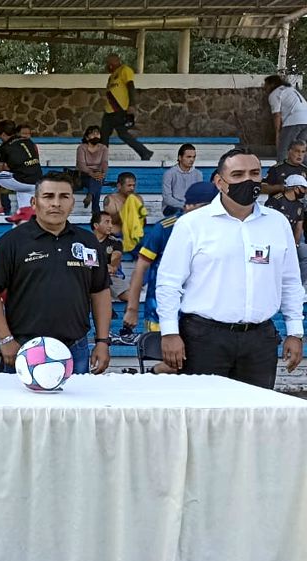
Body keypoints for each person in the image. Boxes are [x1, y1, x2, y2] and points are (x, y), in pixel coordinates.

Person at [156, 149, 304, 388]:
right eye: (237, 174)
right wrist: (170, 332)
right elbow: (169, 283)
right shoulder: (192, 224)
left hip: (260, 340)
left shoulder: (278, 223)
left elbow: (290, 281)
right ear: (219, 182)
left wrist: (295, 331)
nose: (248, 180)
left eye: (254, 173)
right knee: (204, 409)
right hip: (204, 338)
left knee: (256, 409)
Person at [0, 172, 113, 375]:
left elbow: (100, 291)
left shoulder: (88, 242)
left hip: (75, 348)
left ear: (72, 203)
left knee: (75, 398)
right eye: (48, 196)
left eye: (64, 197)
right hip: (23, 348)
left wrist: (102, 341)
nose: (56, 203)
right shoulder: (12, 241)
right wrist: (5, 339)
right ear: (34, 202)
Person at [123, 181, 218, 338]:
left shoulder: (219, 229)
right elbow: (141, 268)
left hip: (203, 317)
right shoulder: (165, 228)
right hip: (161, 316)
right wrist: (132, 309)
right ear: (188, 206)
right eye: (206, 207)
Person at [101, 54, 153, 161]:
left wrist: (132, 105)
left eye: (110, 63)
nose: (108, 66)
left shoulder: (125, 70)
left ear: (116, 61)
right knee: (104, 134)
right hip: (109, 111)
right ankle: (102, 158)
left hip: (120, 110)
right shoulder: (111, 77)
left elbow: (131, 87)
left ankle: (145, 152)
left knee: (122, 134)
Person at [0, 119, 41, 219]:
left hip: (22, 180)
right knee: (26, 214)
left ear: (3, 134)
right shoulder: (28, 141)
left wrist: (8, 167)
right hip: (37, 181)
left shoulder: (5, 146)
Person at [265, 75, 307, 162]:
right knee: (301, 149)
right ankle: (303, 169)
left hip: (293, 121)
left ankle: (281, 168)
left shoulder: (275, 93)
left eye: (266, 85)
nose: (264, 87)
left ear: (271, 84)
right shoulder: (291, 90)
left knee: (283, 149)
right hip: (305, 120)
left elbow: (277, 115)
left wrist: (277, 133)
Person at [103, 171, 146, 253]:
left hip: (134, 235)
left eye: (134, 185)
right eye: (129, 185)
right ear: (119, 186)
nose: (132, 188)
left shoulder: (138, 198)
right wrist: (125, 210)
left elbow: (143, 222)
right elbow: (109, 221)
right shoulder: (110, 199)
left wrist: (139, 215)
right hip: (116, 235)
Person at [89, 211, 128, 301]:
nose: (110, 225)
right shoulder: (86, 241)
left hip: (109, 277)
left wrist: (112, 267)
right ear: (96, 225)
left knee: (130, 295)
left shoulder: (115, 242)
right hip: (88, 276)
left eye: (111, 222)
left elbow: (116, 258)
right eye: (107, 222)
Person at [162, 144, 202, 217]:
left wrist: (192, 206)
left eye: (194, 157)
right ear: (180, 157)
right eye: (188, 157)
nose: (192, 160)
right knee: (180, 212)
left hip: (191, 206)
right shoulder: (169, 173)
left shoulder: (198, 174)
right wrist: (184, 206)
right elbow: (167, 198)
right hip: (172, 207)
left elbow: (199, 196)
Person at [76, 126, 108, 216]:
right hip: (84, 175)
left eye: (97, 133)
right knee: (97, 181)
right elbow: (81, 165)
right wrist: (91, 173)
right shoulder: (81, 148)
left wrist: (102, 173)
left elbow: (104, 163)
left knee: (97, 179)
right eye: (92, 134)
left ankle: (90, 195)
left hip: (98, 175)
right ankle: (96, 210)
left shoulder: (103, 148)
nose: (95, 135)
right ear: (87, 137)